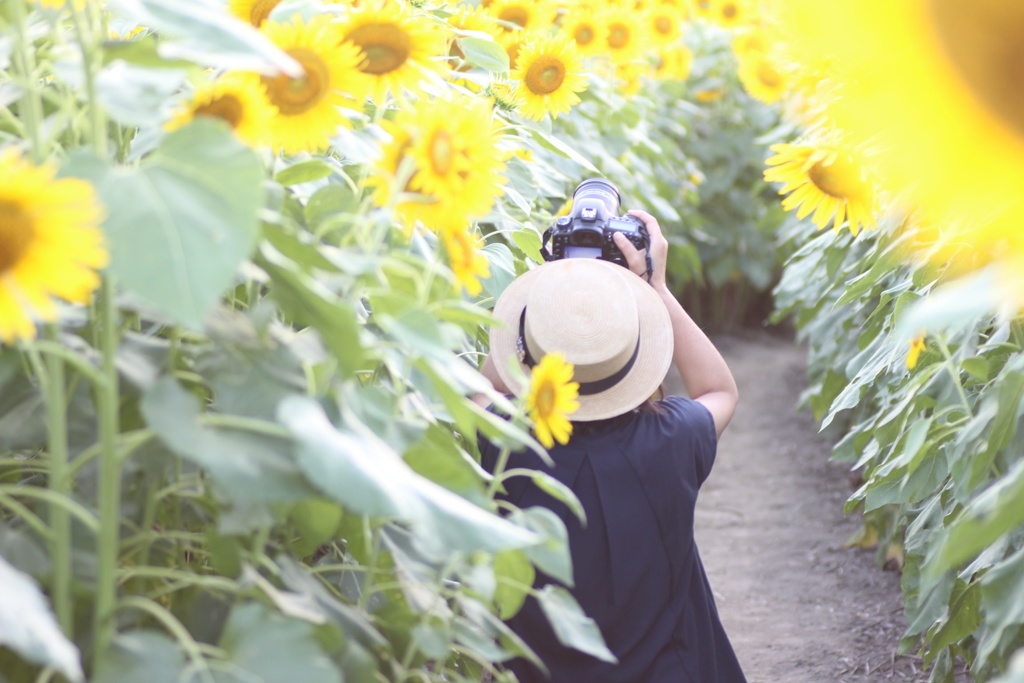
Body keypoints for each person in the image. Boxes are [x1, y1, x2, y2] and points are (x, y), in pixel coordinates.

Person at [474, 210, 746, 683]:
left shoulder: (508, 446)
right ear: (635, 349)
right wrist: (654, 287)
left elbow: (475, 393)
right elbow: (719, 390)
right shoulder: (671, 440)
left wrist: (542, 293)